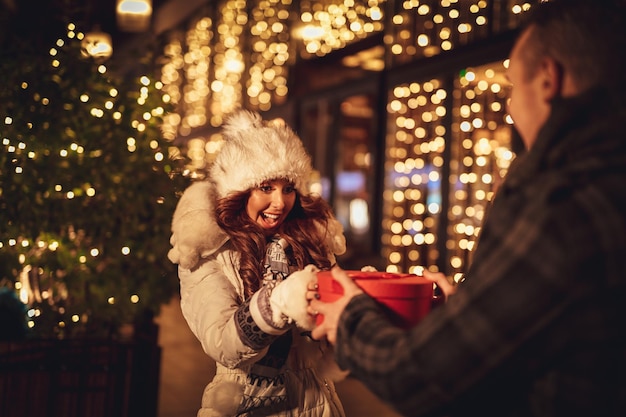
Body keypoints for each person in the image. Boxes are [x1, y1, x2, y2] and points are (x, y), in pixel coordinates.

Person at [308, 0, 626, 416]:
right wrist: (473, 309)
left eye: (514, 85)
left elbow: (416, 377)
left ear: (548, 80)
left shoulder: (562, 209)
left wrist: (351, 318)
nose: (510, 107)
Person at [168, 109, 348, 416]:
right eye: (266, 188)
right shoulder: (212, 253)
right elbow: (223, 345)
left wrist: (361, 300)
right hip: (244, 404)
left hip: (317, 403)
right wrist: (276, 304)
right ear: (240, 192)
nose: (280, 203)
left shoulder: (308, 242)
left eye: (288, 188)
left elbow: (330, 338)